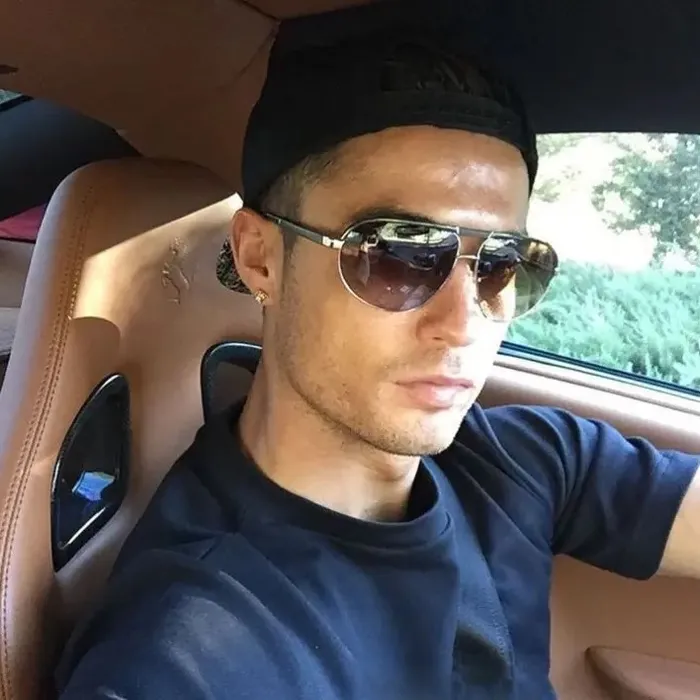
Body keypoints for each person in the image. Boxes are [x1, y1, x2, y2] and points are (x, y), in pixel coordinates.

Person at [56, 27, 700, 700]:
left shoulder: (522, 463)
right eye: (400, 255)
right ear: (260, 258)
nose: (463, 324)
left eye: (500, 265)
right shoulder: (193, 650)